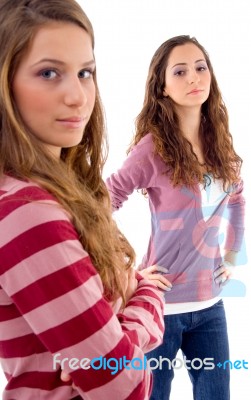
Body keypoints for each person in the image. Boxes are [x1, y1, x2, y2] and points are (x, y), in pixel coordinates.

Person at [0, 1, 165, 399]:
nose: (78, 97)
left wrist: (117, 333)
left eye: (85, 72)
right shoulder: (27, 214)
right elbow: (122, 385)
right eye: (48, 73)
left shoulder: (54, 192)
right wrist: (147, 299)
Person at [106, 35, 245, 400]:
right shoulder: (153, 149)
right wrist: (127, 271)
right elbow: (102, 202)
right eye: (180, 71)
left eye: (200, 67)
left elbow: (238, 198)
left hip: (211, 306)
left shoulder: (219, 144)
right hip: (160, 309)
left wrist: (232, 255)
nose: (193, 77)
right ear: (163, 87)